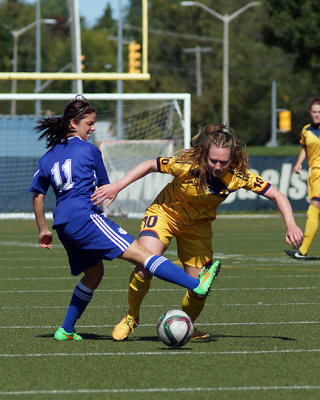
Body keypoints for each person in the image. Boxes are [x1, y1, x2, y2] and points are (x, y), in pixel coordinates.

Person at [29, 95, 221, 341]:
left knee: (94, 274)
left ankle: (66, 329)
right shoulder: (89, 150)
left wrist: (43, 229)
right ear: (73, 124)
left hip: (63, 225)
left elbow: (38, 196)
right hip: (85, 218)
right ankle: (196, 285)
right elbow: (104, 186)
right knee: (145, 257)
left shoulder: (47, 157)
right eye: (89, 123)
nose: (93, 128)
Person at [91, 124, 304, 342]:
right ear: (205, 154)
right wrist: (117, 186)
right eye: (213, 161)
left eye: (224, 162)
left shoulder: (239, 176)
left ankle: (186, 326)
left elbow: (277, 195)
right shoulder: (185, 164)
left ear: (233, 158)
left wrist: (291, 224)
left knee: (199, 289)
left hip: (198, 227)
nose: (218, 166)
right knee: (145, 266)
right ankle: (131, 316)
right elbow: (149, 165)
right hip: (165, 214)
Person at [285, 97, 320, 259]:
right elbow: (304, 148)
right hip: (313, 174)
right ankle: (302, 251)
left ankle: (303, 251)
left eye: (319, 112)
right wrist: (299, 163)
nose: (317, 115)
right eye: (314, 112)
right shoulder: (306, 130)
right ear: (309, 113)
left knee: (313, 209)